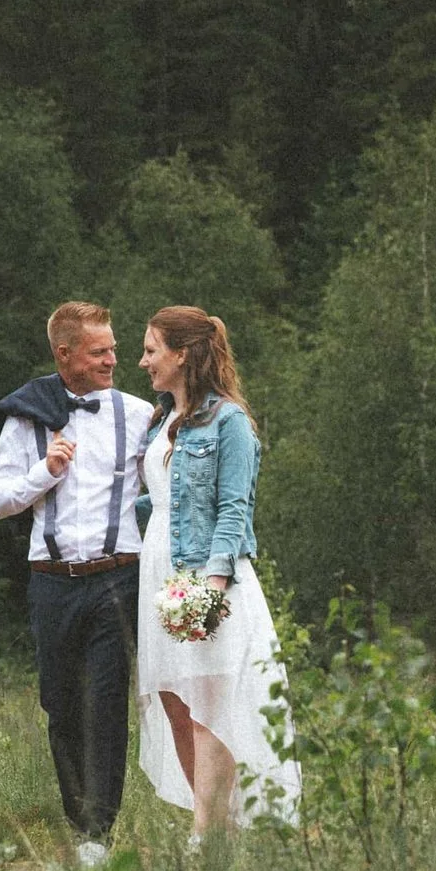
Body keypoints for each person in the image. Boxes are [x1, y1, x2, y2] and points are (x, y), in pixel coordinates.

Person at [0, 303, 151, 858]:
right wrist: (46, 472)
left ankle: (96, 836)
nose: (113, 359)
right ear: (65, 355)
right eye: (99, 350)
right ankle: (78, 816)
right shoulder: (26, 418)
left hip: (116, 580)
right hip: (51, 582)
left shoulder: (140, 414)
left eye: (113, 348)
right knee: (60, 704)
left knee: (106, 705)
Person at [133, 307, 300, 836]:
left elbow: (234, 509)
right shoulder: (160, 421)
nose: (143, 362)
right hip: (157, 572)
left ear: (182, 355)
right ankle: (220, 827)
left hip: (205, 576)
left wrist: (213, 585)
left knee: (208, 702)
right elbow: (155, 502)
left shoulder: (229, 422)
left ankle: (204, 838)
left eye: (152, 350)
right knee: (174, 700)